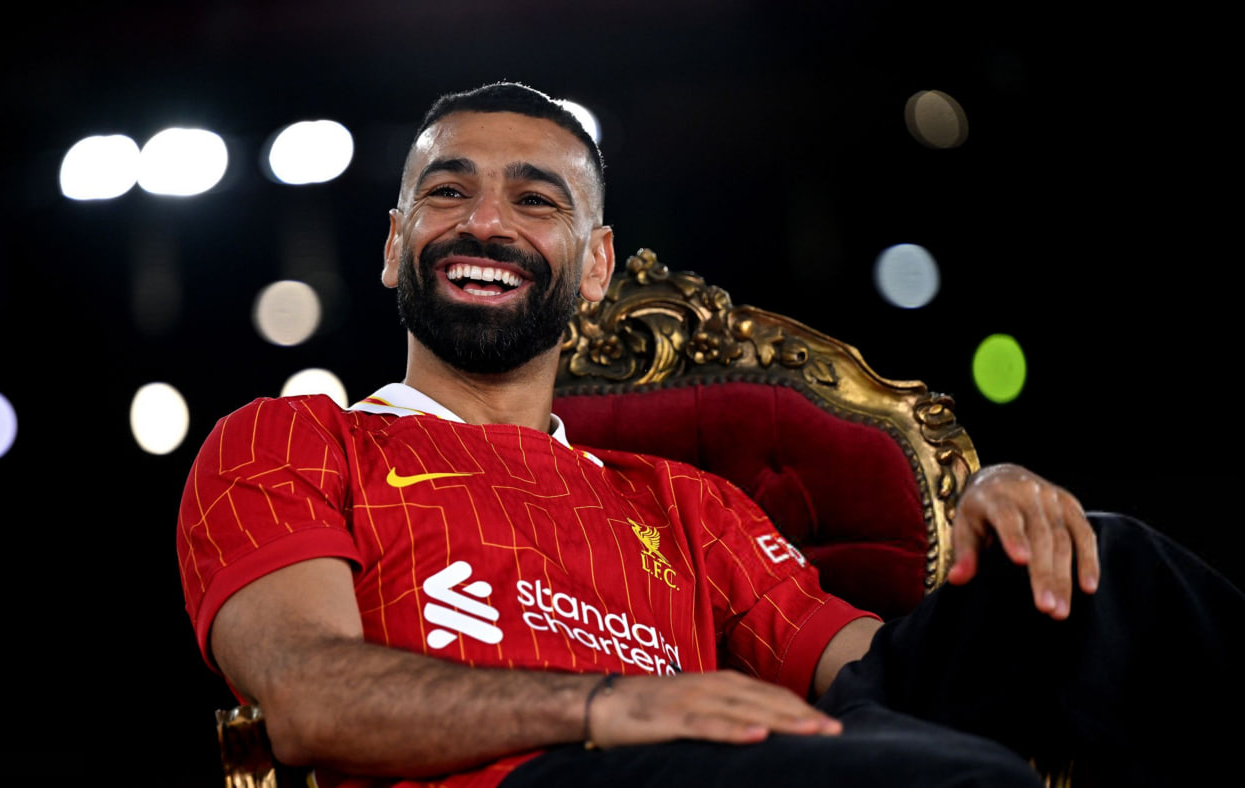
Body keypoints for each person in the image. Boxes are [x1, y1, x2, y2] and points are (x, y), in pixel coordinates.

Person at [176, 82, 1243, 788]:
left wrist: (996, 527)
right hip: (516, 785)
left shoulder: (679, 499)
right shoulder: (288, 441)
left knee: (1110, 565)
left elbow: (867, 673)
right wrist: (610, 705)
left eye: (534, 200)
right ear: (393, 245)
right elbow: (308, 696)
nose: (485, 222)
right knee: (941, 783)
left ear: (595, 268)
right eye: (447, 191)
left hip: (725, 771)